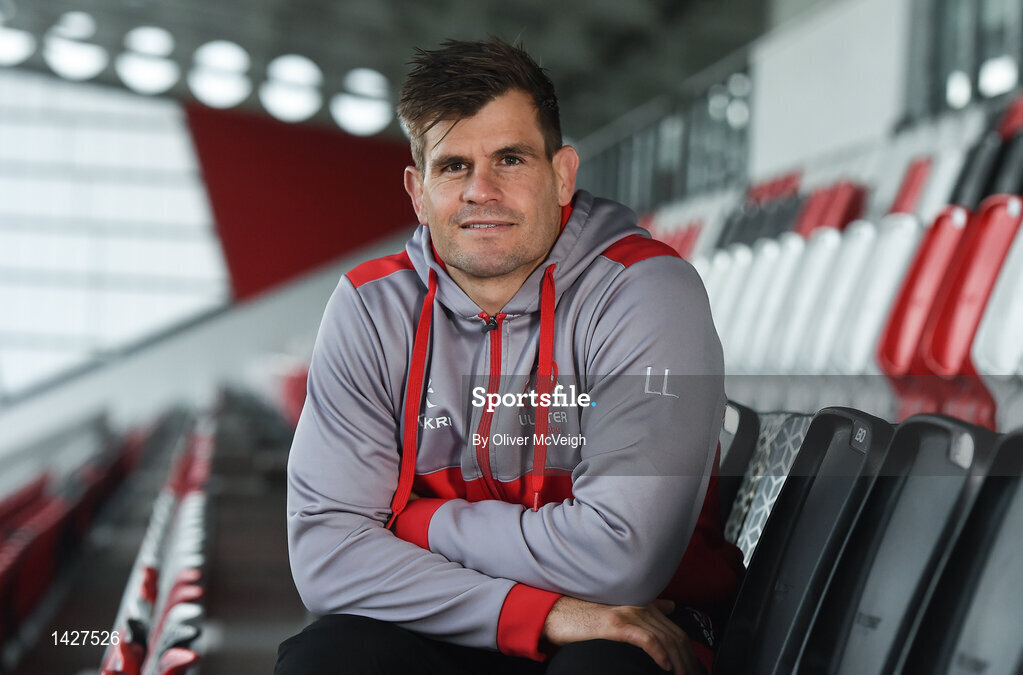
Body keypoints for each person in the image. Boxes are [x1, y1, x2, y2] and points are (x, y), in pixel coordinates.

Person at [275, 38, 744, 675]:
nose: (481, 191)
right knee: (327, 659)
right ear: (418, 191)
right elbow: (326, 559)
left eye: (511, 159)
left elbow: (622, 559)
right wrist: (540, 613)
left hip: (635, 618)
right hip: (459, 612)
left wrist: (417, 520)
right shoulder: (370, 306)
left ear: (562, 174)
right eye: (453, 167)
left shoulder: (647, 291)